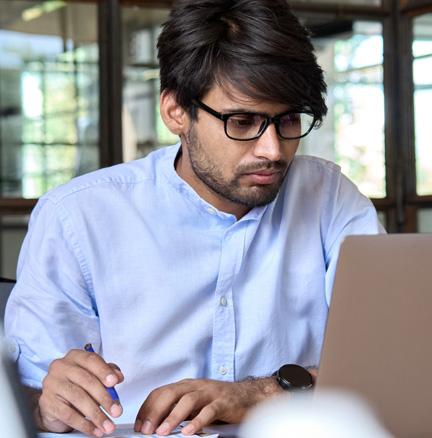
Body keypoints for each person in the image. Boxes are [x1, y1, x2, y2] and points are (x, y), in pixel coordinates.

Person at [5, 0, 382, 436]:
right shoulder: (77, 219)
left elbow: (390, 365)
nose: (274, 151)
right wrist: (41, 405)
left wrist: (259, 393)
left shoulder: (330, 200)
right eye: (242, 122)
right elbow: (24, 399)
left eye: (289, 120)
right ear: (175, 112)